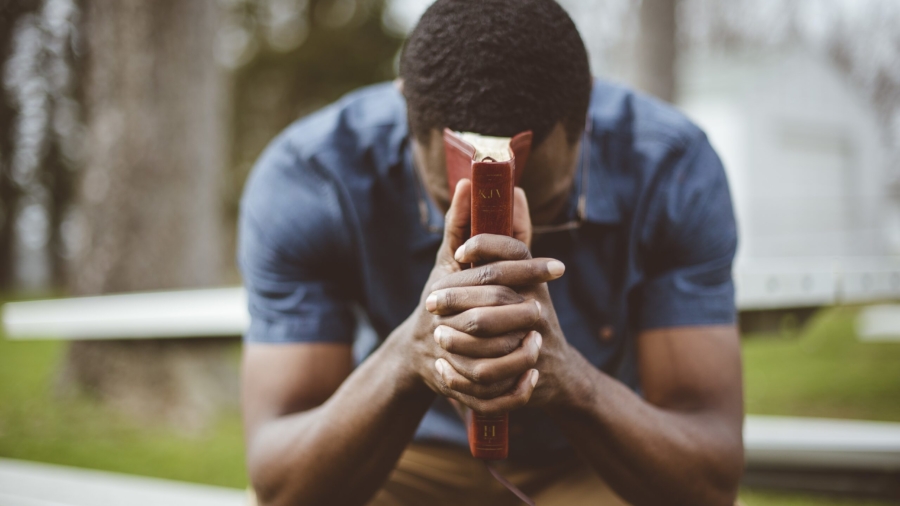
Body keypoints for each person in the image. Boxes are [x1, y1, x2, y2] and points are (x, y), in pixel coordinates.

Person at [238, 0, 744, 504]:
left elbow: (708, 484)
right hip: (406, 455)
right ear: (405, 103)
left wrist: (570, 379)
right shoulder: (313, 178)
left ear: (584, 110)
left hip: (587, 459)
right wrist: (409, 356)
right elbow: (283, 489)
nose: (497, 257)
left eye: (541, 206)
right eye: (449, 203)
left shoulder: (670, 168)